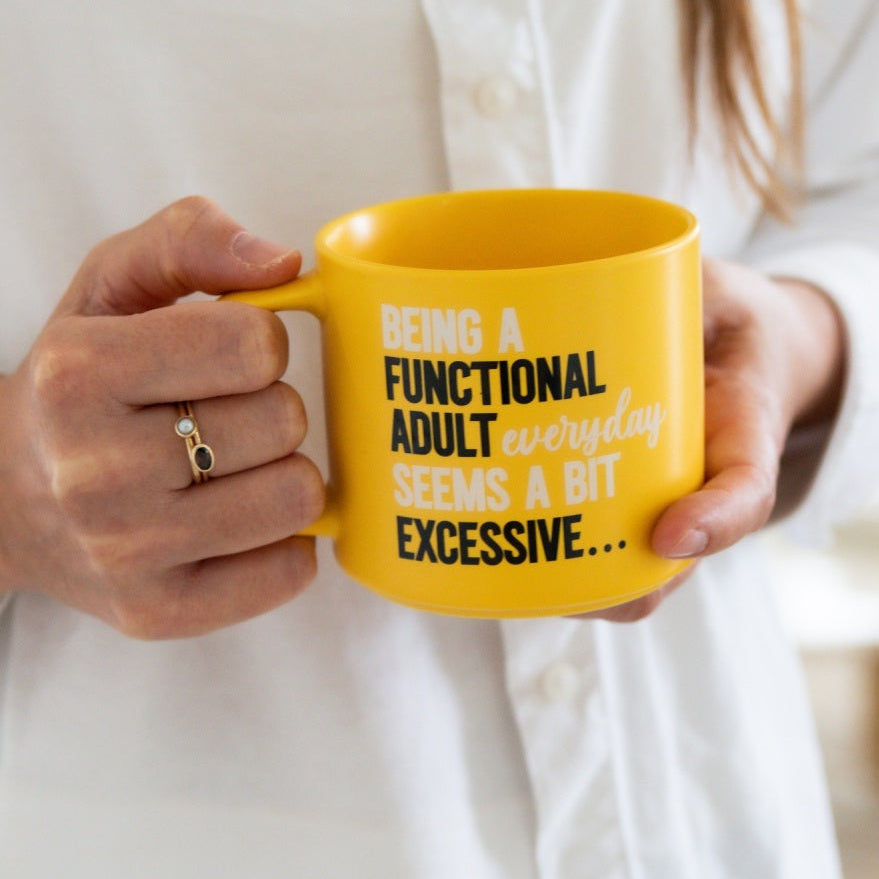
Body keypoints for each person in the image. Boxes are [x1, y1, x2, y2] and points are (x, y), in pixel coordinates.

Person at [1, 1, 877, 876]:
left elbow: (856, 180)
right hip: (178, 828)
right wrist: (14, 489)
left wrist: (805, 334)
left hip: (700, 802)